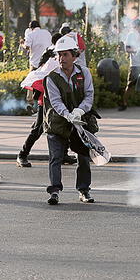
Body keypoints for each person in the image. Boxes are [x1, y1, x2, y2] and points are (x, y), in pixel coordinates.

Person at [42, 35, 96, 205]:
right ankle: (54, 191)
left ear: (74, 55)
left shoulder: (84, 73)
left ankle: (84, 190)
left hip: (80, 121)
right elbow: (55, 101)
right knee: (56, 157)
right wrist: (68, 114)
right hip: (57, 123)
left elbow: (89, 95)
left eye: (65, 54)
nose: (61, 58)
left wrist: (80, 111)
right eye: (59, 55)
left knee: (83, 157)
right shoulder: (51, 77)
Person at [17, 33, 77, 167]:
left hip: (62, 101)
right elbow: (43, 76)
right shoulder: (53, 59)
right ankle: (22, 155)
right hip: (46, 101)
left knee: (66, 126)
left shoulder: (68, 61)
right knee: (38, 129)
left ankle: (64, 155)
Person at [21, 20, 52, 108]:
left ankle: (30, 102)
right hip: (47, 62)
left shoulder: (30, 34)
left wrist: (22, 44)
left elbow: (27, 47)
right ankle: (45, 101)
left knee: (31, 80)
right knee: (46, 81)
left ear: (31, 28)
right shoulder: (47, 33)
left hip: (35, 62)